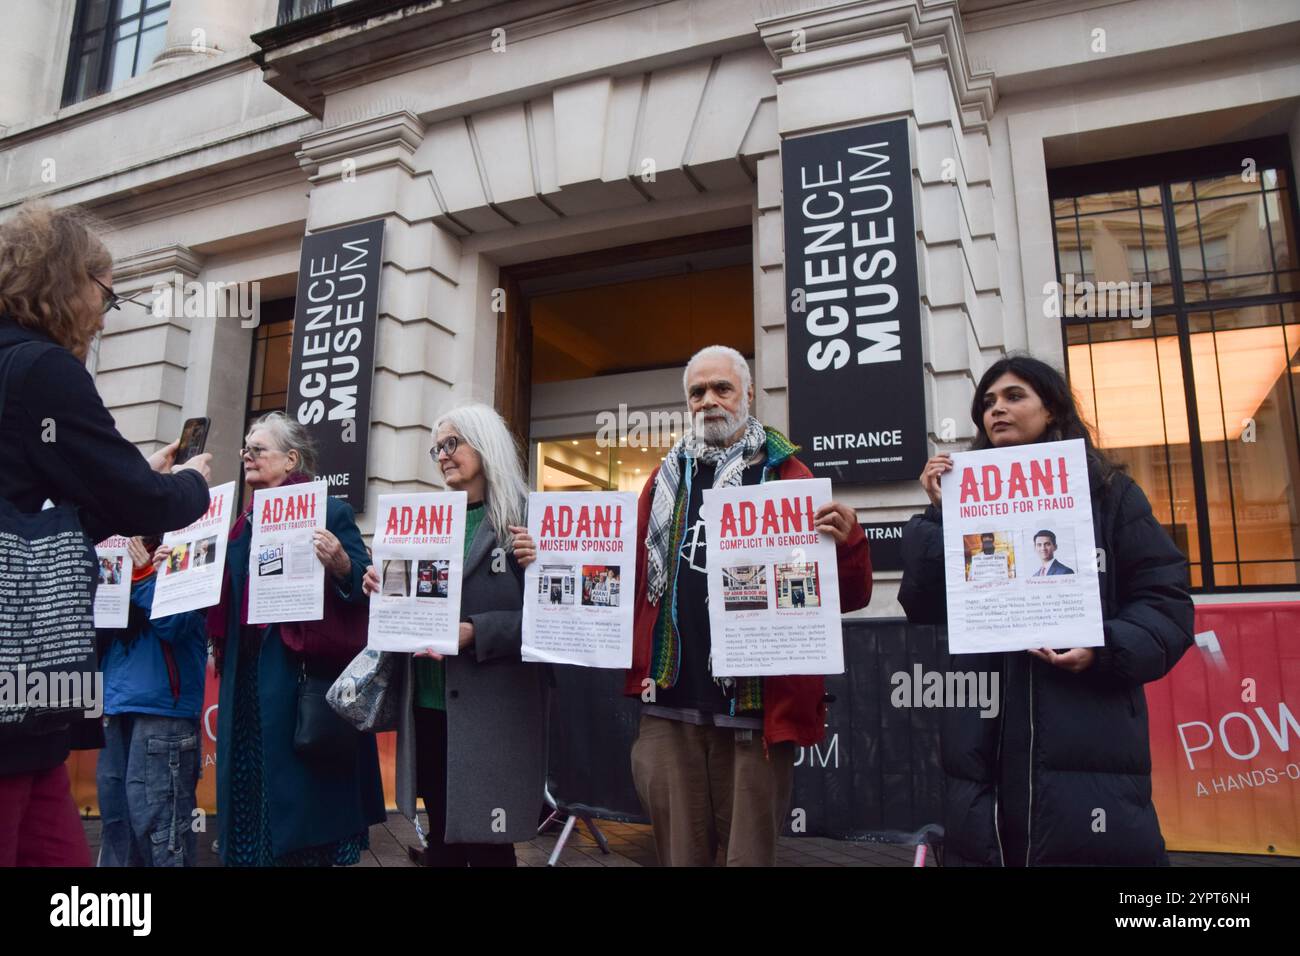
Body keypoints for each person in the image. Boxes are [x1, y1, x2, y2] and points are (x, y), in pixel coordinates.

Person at [899, 353, 1193, 866]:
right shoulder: (959, 502)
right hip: (983, 734)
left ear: (1053, 409)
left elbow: (1166, 604)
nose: (997, 410)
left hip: (1086, 731)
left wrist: (1102, 648)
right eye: (987, 402)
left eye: (1014, 397)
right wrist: (941, 518)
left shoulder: (1109, 493)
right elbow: (921, 602)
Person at [0, 202, 211, 867]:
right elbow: (143, 499)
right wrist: (194, 484)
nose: (103, 312)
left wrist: (120, 490)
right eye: (107, 294)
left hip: (28, 716)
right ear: (69, 281)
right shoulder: (41, 370)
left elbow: (33, 517)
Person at [617, 344, 873, 866]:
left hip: (754, 712)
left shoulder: (789, 477)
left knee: (747, 858)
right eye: (697, 392)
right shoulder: (662, 480)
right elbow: (624, 576)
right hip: (669, 703)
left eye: (722, 388)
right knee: (677, 857)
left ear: (748, 395)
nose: (709, 400)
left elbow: (848, 595)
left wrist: (848, 543)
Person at [366, 403, 547, 867]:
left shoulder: (527, 519)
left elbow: (555, 622)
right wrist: (381, 588)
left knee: (489, 843)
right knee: (442, 838)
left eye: (452, 443)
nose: (443, 455)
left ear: (484, 447)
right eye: (437, 448)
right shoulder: (428, 518)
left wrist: (478, 632)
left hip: (492, 712)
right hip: (427, 702)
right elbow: (413, 601)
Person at [207, 412, 384, 866]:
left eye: (258, 449)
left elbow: (367, 587)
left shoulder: (329, 510)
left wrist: (343, 565)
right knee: (252, 791)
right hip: (246, 680)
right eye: (245, 448)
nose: (247, 455)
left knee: (306, 801)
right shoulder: (240, 523)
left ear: (290, 459)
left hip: (298, 678)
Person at [96, 536, 207, 866]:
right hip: (117, 706)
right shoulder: (114, 543)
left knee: (163, 832)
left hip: (161, 711)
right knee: (118, 828)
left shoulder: (187, 544)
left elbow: (175, 625)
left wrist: (145, 574)